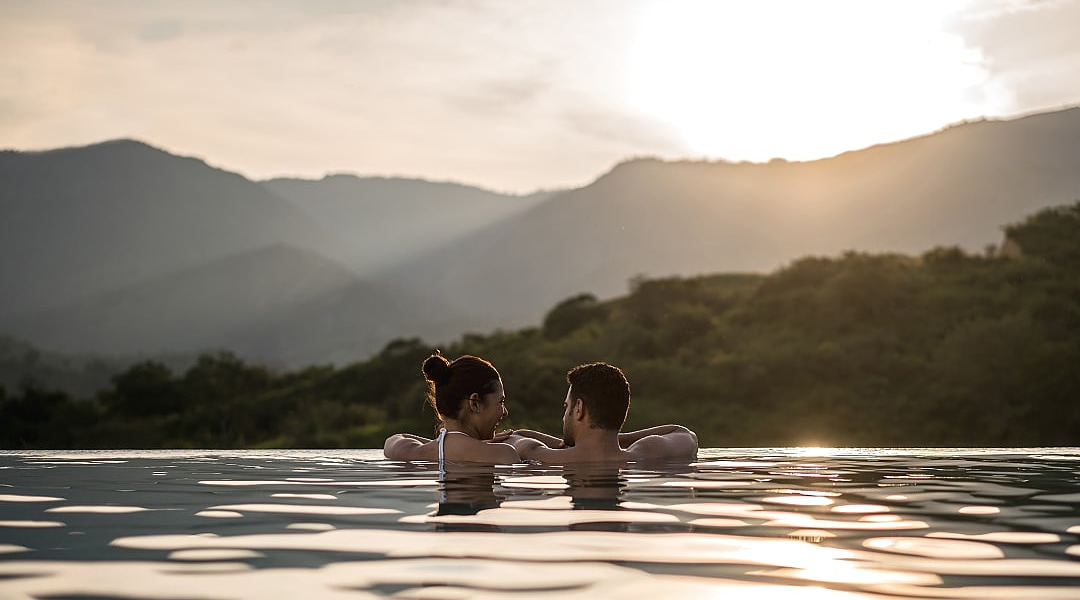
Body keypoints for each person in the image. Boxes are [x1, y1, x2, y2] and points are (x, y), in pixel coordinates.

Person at [506, 362, 698, 463]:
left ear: (579, 408)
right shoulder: (645, 453)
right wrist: (612, 435)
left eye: (566, 408)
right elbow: (684, 434)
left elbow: (516, 437)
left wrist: (562, 444)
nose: (564, 417)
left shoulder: (543, 457)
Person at [383, 353, 518, 466]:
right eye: (500, 402)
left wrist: (448, 444)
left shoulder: (418, 453)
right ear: (475, 403)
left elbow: (392, 440)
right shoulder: (503, 454)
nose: (504, 411)